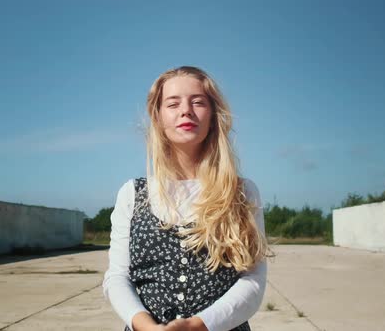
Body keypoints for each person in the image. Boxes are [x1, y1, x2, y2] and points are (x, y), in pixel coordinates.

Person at [102, 66, 268, 331]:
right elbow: (117, 277)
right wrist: (146, 326)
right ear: (157, 117)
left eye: (198, 102)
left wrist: (200, 325)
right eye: (173, 103)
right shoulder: (132, 194)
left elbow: (254, 280)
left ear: (213, 115)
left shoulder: (242, 192)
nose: (186, 110)